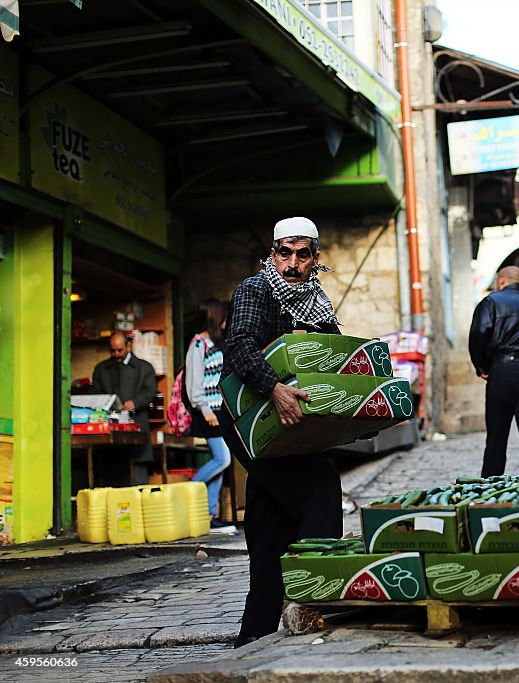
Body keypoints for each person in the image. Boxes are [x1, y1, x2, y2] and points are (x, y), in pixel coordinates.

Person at [218, 217, 344, 647]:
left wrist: (354, 410)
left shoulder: (317, 300)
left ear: (315, 258)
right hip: (249, 414)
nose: (292, 263)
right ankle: (313, 599)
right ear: (272, 254)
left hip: (292, 420)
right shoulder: (256, 289)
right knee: (319, 485)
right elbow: (239, 345)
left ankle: (254, 632)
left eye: (302, 253)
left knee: (270, 512)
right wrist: (274, 388)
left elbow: (334, 356)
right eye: (284, 252)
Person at [469, 265, 519, 476]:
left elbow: (479, 334)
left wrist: (482, 367)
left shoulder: (491, 302)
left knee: (497, 437)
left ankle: (489, 488)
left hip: (503, 370)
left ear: (502, 280)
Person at [185, 298, 235, 534]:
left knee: (221, 462)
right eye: (224, 318)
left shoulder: (214, 344)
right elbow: (193, 385)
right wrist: (205, 410)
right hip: (209, 413)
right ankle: (188, 492)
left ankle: (210, 515)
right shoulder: (198, 345)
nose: (226, 322)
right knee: (222, 459)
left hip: (219, 412)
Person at [91, 331, 157, 484]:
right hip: (111, 432)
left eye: (119, 350)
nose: (116, 354)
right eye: (112, 350)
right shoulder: (101, 370)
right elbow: (96, 394)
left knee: (138, 481)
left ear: (128, 346)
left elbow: (150, 392)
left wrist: (135, 402)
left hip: (137, 427)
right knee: (112, 479)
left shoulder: (144, 368)